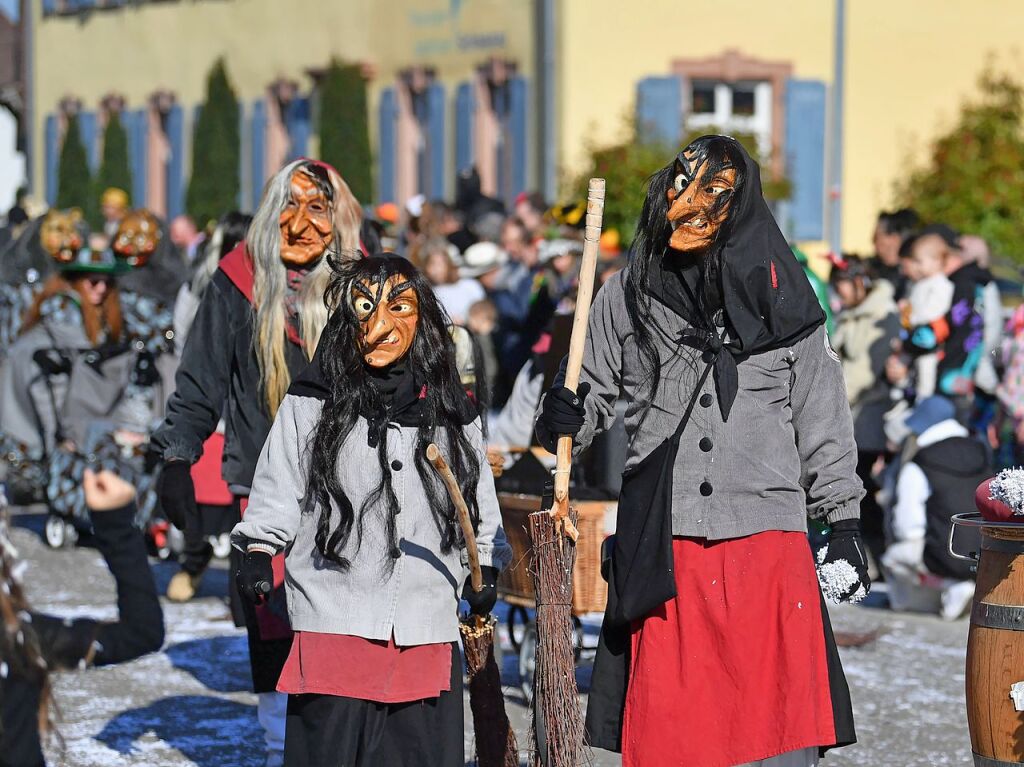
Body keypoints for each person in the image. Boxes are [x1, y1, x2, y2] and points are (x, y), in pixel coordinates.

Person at [538, 135, 864, 767]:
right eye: (683, 184)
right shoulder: (626, 292)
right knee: (675, 737)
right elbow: (594, 392)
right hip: (668, 540)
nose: (691, 202)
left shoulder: (787, 296)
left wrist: (843, 518)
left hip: (768, 544)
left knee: (778, 733)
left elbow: (821, 415)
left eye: (715, 189)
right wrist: (566, 410)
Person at [233, 255, 510, 766]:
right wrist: (257, 544)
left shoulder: (451, 411)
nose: (380, 323)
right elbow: (278, 485)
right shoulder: (313, 402)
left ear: (421, 318)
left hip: (424, 623)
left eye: (399, 306)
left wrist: (486, 563)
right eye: (365, 307)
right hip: (335, 615)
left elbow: (477, 500)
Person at [150, 158, 366, 767]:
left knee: (346, 616)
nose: (299, 224)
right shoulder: (236, 282)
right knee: (273, 617)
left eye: (316, 207)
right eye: (287, 207)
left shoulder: (365, 283)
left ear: (339, 216)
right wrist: (177, 456)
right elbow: (200, 380)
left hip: (355, 481)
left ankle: (341, 738)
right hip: (264, 484)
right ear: (269, 214)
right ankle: (280, 746)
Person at [0, 468, 164, 766]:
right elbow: (141, 632)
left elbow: (140, 634)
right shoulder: (19, 638)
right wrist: (116, 526)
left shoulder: (18, 637)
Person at [882, 396, 986, 620]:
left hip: (945, 553)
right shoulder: (982, 452)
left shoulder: (922, 461)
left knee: (893, 558)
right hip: (983, 553)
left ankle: (938, 591)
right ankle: (960, 587)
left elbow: (907, 525)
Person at [830, 256, 901, 569]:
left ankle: (873, 557)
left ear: (860, 282)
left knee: (863, 489)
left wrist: (831, 397)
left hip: (870, 414)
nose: (838, 293)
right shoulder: (852, 314)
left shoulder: (880, 314)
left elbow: (865, 372)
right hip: (852, 412)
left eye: (841, 286)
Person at [900, 233, 954, 398]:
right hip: (914, 333)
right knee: (904, 362)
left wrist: (915, 316)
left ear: (937, 261)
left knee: (926, 368)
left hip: (929, 336)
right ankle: (902, 391)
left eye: (920, 262)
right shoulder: (921, 283)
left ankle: (924, 399)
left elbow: (936, 309)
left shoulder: (942, 284)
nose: (916, 266)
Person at [420, 237, 485, 324]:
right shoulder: (426, 294)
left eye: (440, 264)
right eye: (431, 264)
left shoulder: (470, 285)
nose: (436, 270)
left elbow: (483, 314)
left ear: (449, 264)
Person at [870, 208, 919, 299]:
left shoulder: (913, 274)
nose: (873, 241)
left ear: (894, 238)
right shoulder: (872, 269)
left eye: (876, 237)